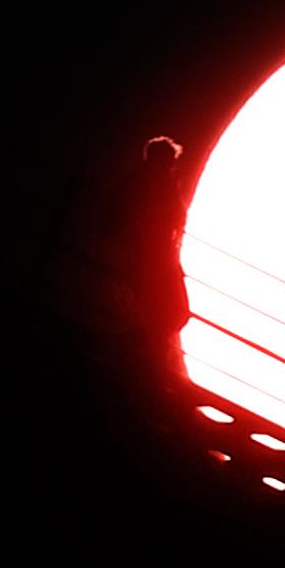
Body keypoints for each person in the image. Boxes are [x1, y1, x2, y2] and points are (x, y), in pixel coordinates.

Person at [119, 136, 191, 384]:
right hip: (155, 255)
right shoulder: (159, 182)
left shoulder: (137, 181)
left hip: (150, 255)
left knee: (164, 312)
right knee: (172, 312)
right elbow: (176, 214)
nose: (172, 167)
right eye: (170, 162)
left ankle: (150, 358)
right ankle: (152, 362)